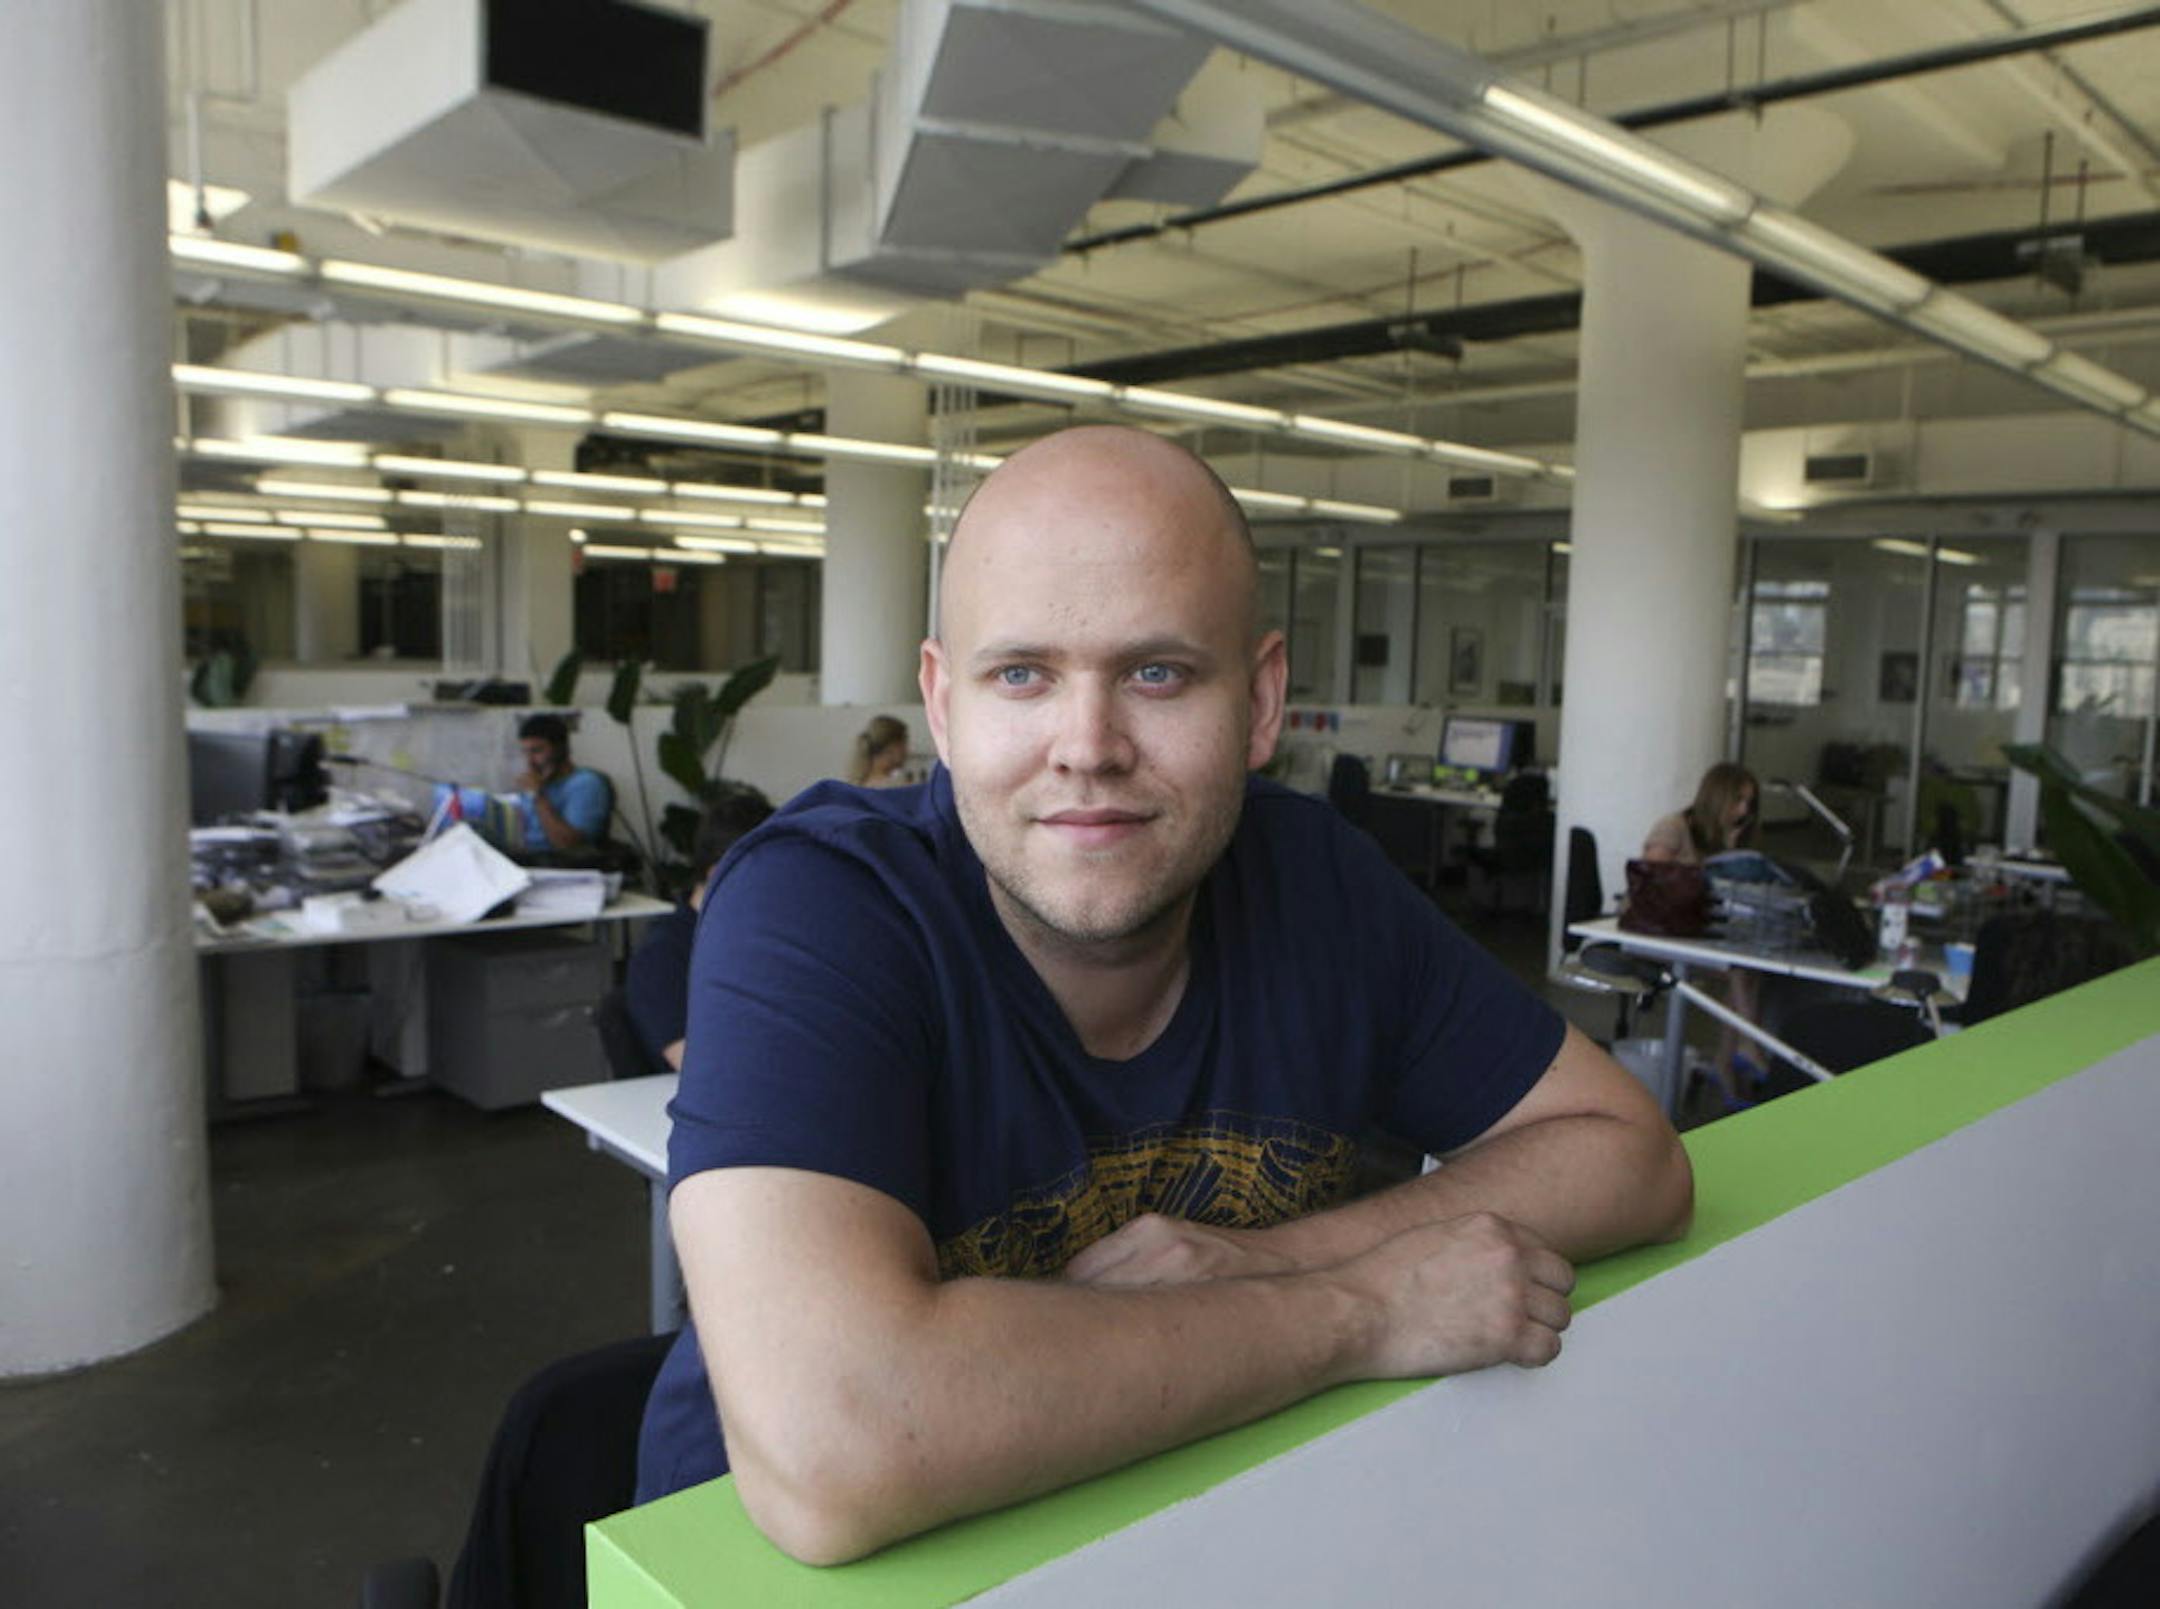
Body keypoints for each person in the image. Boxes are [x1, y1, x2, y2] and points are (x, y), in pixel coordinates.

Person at [638, 425, 1693, 1563]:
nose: (1087, 746)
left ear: (1262, 699)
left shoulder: (1316, 880)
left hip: (1187, 1526)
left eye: (1157, 672)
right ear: (943, 705)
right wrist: (1363, 1305)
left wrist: (1272, 1256)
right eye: (1021, 674)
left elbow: (1629, 1155)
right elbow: (839, 1447)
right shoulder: (821, 902)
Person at [622, 784, 775, 1072]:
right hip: (716, 1090)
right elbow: (701, 1066)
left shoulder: (759, 939)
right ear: (719, 873)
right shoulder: (663, 954)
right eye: (769, 875)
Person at [1641, 762, 1763, 1103]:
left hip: (1693, 935)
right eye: (1737, 800)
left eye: (1749, 804)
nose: (1743, 811)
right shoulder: (1674, 827)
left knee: (1748, 969)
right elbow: (1650, 880)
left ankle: (1727, 1061)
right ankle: (1747, 1047)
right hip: (1654, 933)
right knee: (1737, 969)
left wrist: (1733, 854)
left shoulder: (1723, 838)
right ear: (1717, 797)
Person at [513, 713, 613, 852]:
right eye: (525, 752)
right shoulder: (539, 782)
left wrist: (538, 796)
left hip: (559, 862)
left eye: (537, 751)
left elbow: (569, 845)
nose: (530, 762)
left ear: (560, 749)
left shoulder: (586, 784)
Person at [847, 714, 911, 787]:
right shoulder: (896, 786)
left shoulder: (857, 783)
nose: (908, 750)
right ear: (892, 748)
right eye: (904, 744)